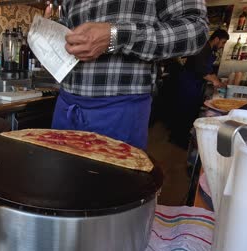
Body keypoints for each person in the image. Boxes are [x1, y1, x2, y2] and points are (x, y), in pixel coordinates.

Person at [45, 0, 209, 150]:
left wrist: (117, 35)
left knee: (115, 181)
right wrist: (53, 32)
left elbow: (197, 30)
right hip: (66, 107)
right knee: (60, 178)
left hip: (120, 112)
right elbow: (69, 34)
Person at [169, 29, 229, 148]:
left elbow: (208, 70)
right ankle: (178, 140)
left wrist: (216, 79)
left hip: (194, 84)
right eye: (222, 43)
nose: (222, 46)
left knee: (190, 112)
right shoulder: (203, 49)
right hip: (188, 84)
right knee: (185, 112)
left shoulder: (209, 50)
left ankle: (180, 137)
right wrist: (214, 80)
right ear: (216, 39)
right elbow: (200, 70)